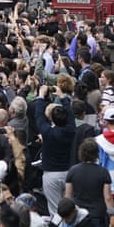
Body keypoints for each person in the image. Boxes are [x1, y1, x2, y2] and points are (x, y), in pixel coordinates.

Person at [65, 138, 114, 227]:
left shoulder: (73, 171)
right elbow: (107, 197)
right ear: (96, 154)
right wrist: (112, 216)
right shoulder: (103, 172)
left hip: (79, 215)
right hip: (97, 215)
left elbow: (68, 196)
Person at [35, 85, 76, 216]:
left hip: (51, 174)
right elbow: (70, 114)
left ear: (51, 119)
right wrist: (62, 96)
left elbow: (38, 116)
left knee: (55, 211)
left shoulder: (47, 132)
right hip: (68, 172)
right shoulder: (70, 130)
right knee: (70, 209)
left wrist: (41, 96)